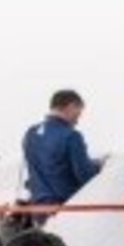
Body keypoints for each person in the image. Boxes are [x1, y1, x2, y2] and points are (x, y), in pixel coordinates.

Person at [9, 89, 102, 234]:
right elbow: (85, 175)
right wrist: (98, 166)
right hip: (64, 210)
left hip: (38, 211)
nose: (78, 120)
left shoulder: (31, 134)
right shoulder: (72, 136)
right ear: (71, 106)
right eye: (78, 113)